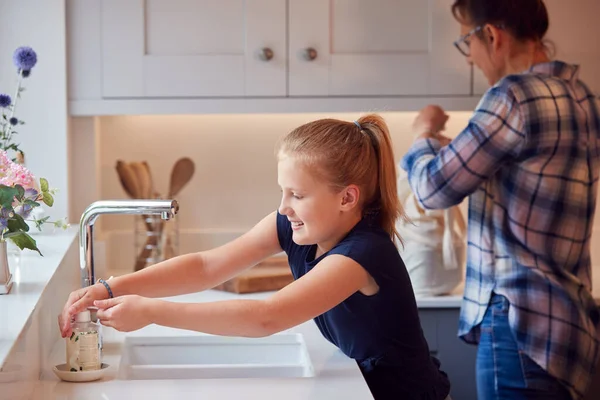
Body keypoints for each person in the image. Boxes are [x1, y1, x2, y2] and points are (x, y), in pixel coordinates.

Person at [59, 115, 451, 400]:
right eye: (282, 191)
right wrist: (109, 286)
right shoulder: (297, 228)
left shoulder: (362, 254)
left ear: (347, 198)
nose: (284, 207)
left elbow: (267, 317)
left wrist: (151, 311)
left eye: (297, 195)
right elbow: (207, 267)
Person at [400, 0, 600, 399]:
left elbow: (432, 189)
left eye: (466, 44)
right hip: (571, 328)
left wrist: (423, 133)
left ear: (491, 35)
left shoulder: (513, 96)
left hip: (520, 326)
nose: (470, 59)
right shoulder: (583, 98)